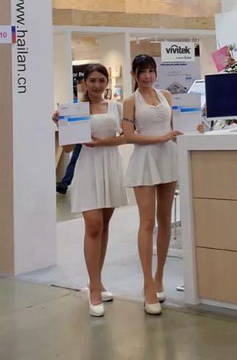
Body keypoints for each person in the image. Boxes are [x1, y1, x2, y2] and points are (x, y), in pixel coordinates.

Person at [53, 64, 127, 317]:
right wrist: (63, 125)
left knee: (104, 226)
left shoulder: (117, 107)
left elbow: (127, 137)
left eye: (101, 80)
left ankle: (97, 281)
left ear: (106, 82)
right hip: (87, 168)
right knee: (93, 225)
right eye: (92, 80)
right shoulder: (75, 110)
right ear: (84, 83)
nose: (97, 85)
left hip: (111, 165)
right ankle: (94, 288)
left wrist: (104, 142)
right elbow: (67, 149)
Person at [121, 54, 183, 315]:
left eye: (151, 71)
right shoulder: (130, 101)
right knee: (147, 222)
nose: (147, 76)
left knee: (165, 220)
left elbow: (176, 128)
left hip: (168, 158)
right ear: (134, 75)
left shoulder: (166, 96)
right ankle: (147, 284)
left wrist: (192, 131)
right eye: (142, 71)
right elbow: (128, 136)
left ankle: (159, 277)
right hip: (145, 161)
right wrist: (160, 139)